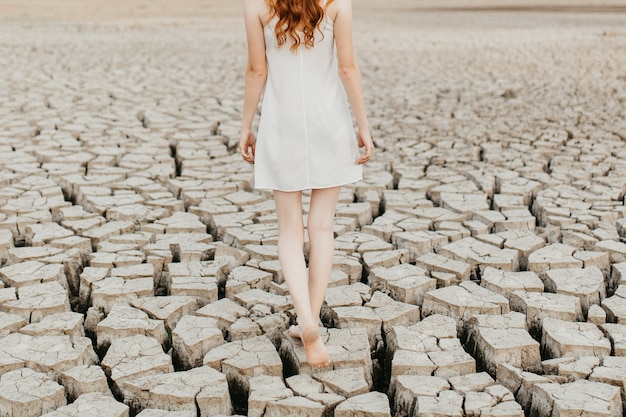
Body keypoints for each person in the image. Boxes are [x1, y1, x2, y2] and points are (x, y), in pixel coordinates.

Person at [239, 0, 373, 368]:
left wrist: (246, 125)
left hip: (282, 128)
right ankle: (309, 320)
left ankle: (307, 321)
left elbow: (256, 71)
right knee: (323, 226)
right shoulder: (337, 4)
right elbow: (347, 68)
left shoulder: (256, 6)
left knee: (289, 230)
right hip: (328, 123)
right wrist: (362, 124)